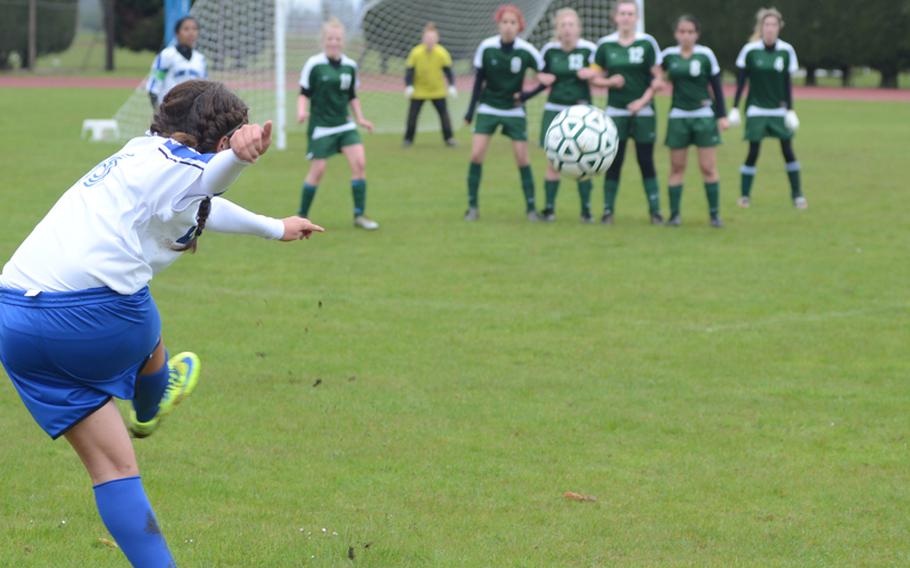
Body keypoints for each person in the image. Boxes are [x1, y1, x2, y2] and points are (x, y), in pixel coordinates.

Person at [0, 80, 323, 567]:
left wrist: (274, 227)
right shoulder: (183, 166)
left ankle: (152, 403)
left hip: (14, 320)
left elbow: (200, 204)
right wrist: (237, 155)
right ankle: (151, 405)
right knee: (145, 331)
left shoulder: (138, 153)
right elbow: (208, 181)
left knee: (113, 468)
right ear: (218, 139)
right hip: (94, 315)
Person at [463, 4, 554, 222]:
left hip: (514, 111)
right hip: (488, 107)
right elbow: (478, 82)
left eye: (513, 23)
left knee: (522, 158)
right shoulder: (486, 48)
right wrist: (470, 112)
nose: (508, 27)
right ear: (498, 24)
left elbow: (547, 79)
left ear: (519, 26)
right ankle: (472, 207)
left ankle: (531, 209)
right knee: (476, 155)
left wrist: (524, 97)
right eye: (505, 22)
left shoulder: (526, 50)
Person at [582, 0, 664, 225]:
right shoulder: (605, 45)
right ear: (615, 17)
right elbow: (593, 77)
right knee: (614, 161)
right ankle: (608, 211)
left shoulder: (647, 44)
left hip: (643, 112)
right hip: (615, 112)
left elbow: (658, 78)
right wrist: (609, 82)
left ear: (636, 18)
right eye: (622, 13)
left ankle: (655, 211)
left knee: (645, 160)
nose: (626, 17)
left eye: (630, 13)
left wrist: (642, 101)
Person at [297, 18, 379, 230]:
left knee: (360, 164)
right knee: (318, 171)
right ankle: (301, 217)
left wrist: (360, 118)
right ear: (324, 41)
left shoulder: (350, 66)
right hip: (321, 126)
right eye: (330, 38)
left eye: (338, 39)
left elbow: (352, 96)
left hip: (344, 124)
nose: (334, 42)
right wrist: (301, 111)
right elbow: (304, 93)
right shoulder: (314, 64)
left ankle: (360, 215)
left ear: (343, 42)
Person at [729, 7, 805, 209]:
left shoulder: (786, 51)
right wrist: (735, 108)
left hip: (779, 110)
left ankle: (797, 196)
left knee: (788, 151)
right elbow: (742, 82)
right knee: (753, 152)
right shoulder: (750, 51)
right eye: (766, 24)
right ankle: (744, 196)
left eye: (774, 25)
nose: (770, 28)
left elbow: (787, 84)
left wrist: (790, 110)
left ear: (779, 27)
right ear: (761, 27)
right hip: (756, 109)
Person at [528, 8, 598, 223]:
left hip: (581, 113)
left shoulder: (589, 50)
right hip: (555, 112)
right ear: (557, 29)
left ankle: (586, 211)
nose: (567, 29)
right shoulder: (549, 50)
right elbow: (538, 72)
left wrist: (592, 73)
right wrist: (541, 76)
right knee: (554, 161)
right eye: (563, 25)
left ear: (578, 28)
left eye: (571, 25)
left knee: (583, 160)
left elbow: (600, 70)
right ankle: (549, 210)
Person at [659, 15, 729, 228]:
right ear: (676, 34)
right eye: (682, 31)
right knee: (676, 167)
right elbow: (656, 77)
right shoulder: (669, 56)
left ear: (696, 34)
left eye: (690, 32)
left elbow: (716, 87)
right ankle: (674, 216)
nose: (686, 35)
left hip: (703, 116)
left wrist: (721, 115)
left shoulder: (706, 55)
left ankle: (715, 215)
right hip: (678, 116)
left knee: (708, 167)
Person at [403, 22, 457, 147]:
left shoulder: (442, 53)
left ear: (437, 39)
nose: (430, 40)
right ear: (423, 38)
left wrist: (452, 85)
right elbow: (409, 71)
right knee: (412, 116)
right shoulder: (416, 53)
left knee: (444, 115)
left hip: (437, 90)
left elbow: (448, 71)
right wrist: (409, 86)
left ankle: (449, 138)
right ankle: (408, 139)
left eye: (432, 38)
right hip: (419, 90)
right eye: (428, 38)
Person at [147, 16, 207, 109]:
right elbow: (154, 85)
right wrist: (158, 110)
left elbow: (204, 88)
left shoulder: (200, 59)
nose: (191, 33)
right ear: (177, 33)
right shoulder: (166, 55)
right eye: (186, 29)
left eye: (194, 29)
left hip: (193, 112)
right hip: (170, 111)